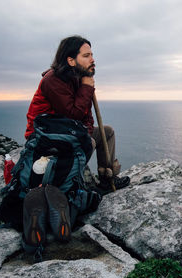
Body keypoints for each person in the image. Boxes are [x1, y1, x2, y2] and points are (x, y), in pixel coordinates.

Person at [24, 35, 130, 191]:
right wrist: (86, 88)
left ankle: (107, 180)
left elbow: (86, 116)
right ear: (71, 60)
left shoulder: (77, 78)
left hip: (64, 133)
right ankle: (71, 183)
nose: (92, 59)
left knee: (107, 132)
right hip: (45, 139)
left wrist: (85, 132)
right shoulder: (53, 81)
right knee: (89, 142)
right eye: (86, 56)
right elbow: (72, 115)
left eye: (92, 55)